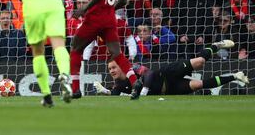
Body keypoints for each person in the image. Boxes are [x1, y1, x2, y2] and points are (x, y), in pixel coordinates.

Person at [70, 0, 138, 99]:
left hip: (95, 18)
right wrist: (111, 7)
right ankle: (134, 81)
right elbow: (124, 0)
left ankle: (75, 89)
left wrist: (84, 9)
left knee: (75, 48)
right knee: (117, 53)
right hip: (109, 19)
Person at [94, 40, 249, 98]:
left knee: (200, 62)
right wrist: (104, 91)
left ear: (121, 66)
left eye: (114, 67)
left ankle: (216, 45)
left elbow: (150, 73)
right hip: (168, 89)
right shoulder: (119, 85)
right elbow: (115, 93)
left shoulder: (133, 68)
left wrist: (143, 91)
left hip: (167, 73)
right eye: (109, 69)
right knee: (198, 85)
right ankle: (235, 76)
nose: (112, 71)